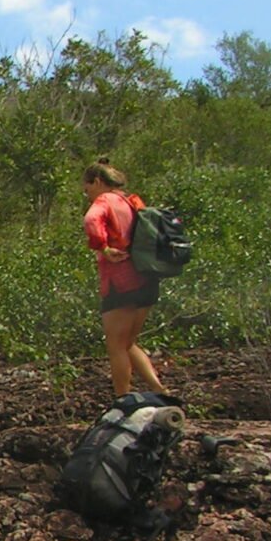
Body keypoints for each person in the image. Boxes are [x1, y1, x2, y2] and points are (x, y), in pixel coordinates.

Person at [82, 158, 168, 397]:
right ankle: (159, 389)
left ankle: (123, 400)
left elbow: (91, 221)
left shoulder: (104, 200)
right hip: (146, 280)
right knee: (127, 343)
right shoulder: (130, 202)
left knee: (116, 346)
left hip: (120, 283)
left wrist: (103, 247)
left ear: (97, 182)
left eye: (87, 189)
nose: (86, 195)